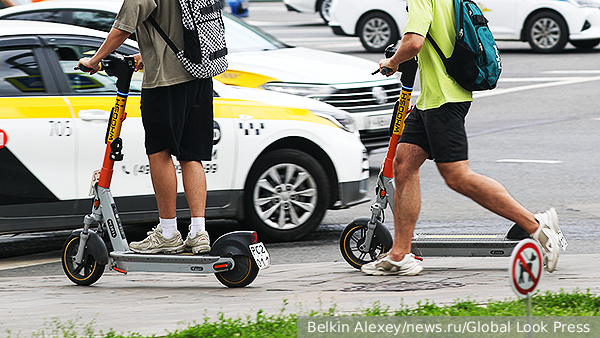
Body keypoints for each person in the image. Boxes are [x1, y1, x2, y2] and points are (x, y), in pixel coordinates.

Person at [361, 0, 563, 276]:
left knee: (458, 176)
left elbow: (413, 43)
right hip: (431, 100)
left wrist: (393, 61)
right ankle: (401, 254)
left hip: (445, 100)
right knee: (404, 164)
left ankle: (537, 226)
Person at [78, 0, 216, 254]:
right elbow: (181, 26)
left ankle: (168, 232)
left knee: (159, 151)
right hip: (199, 74)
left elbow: (122, 29)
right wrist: (148, 53)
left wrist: (95, 60)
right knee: (191, 154)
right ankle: (198, 232)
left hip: (165, 82)